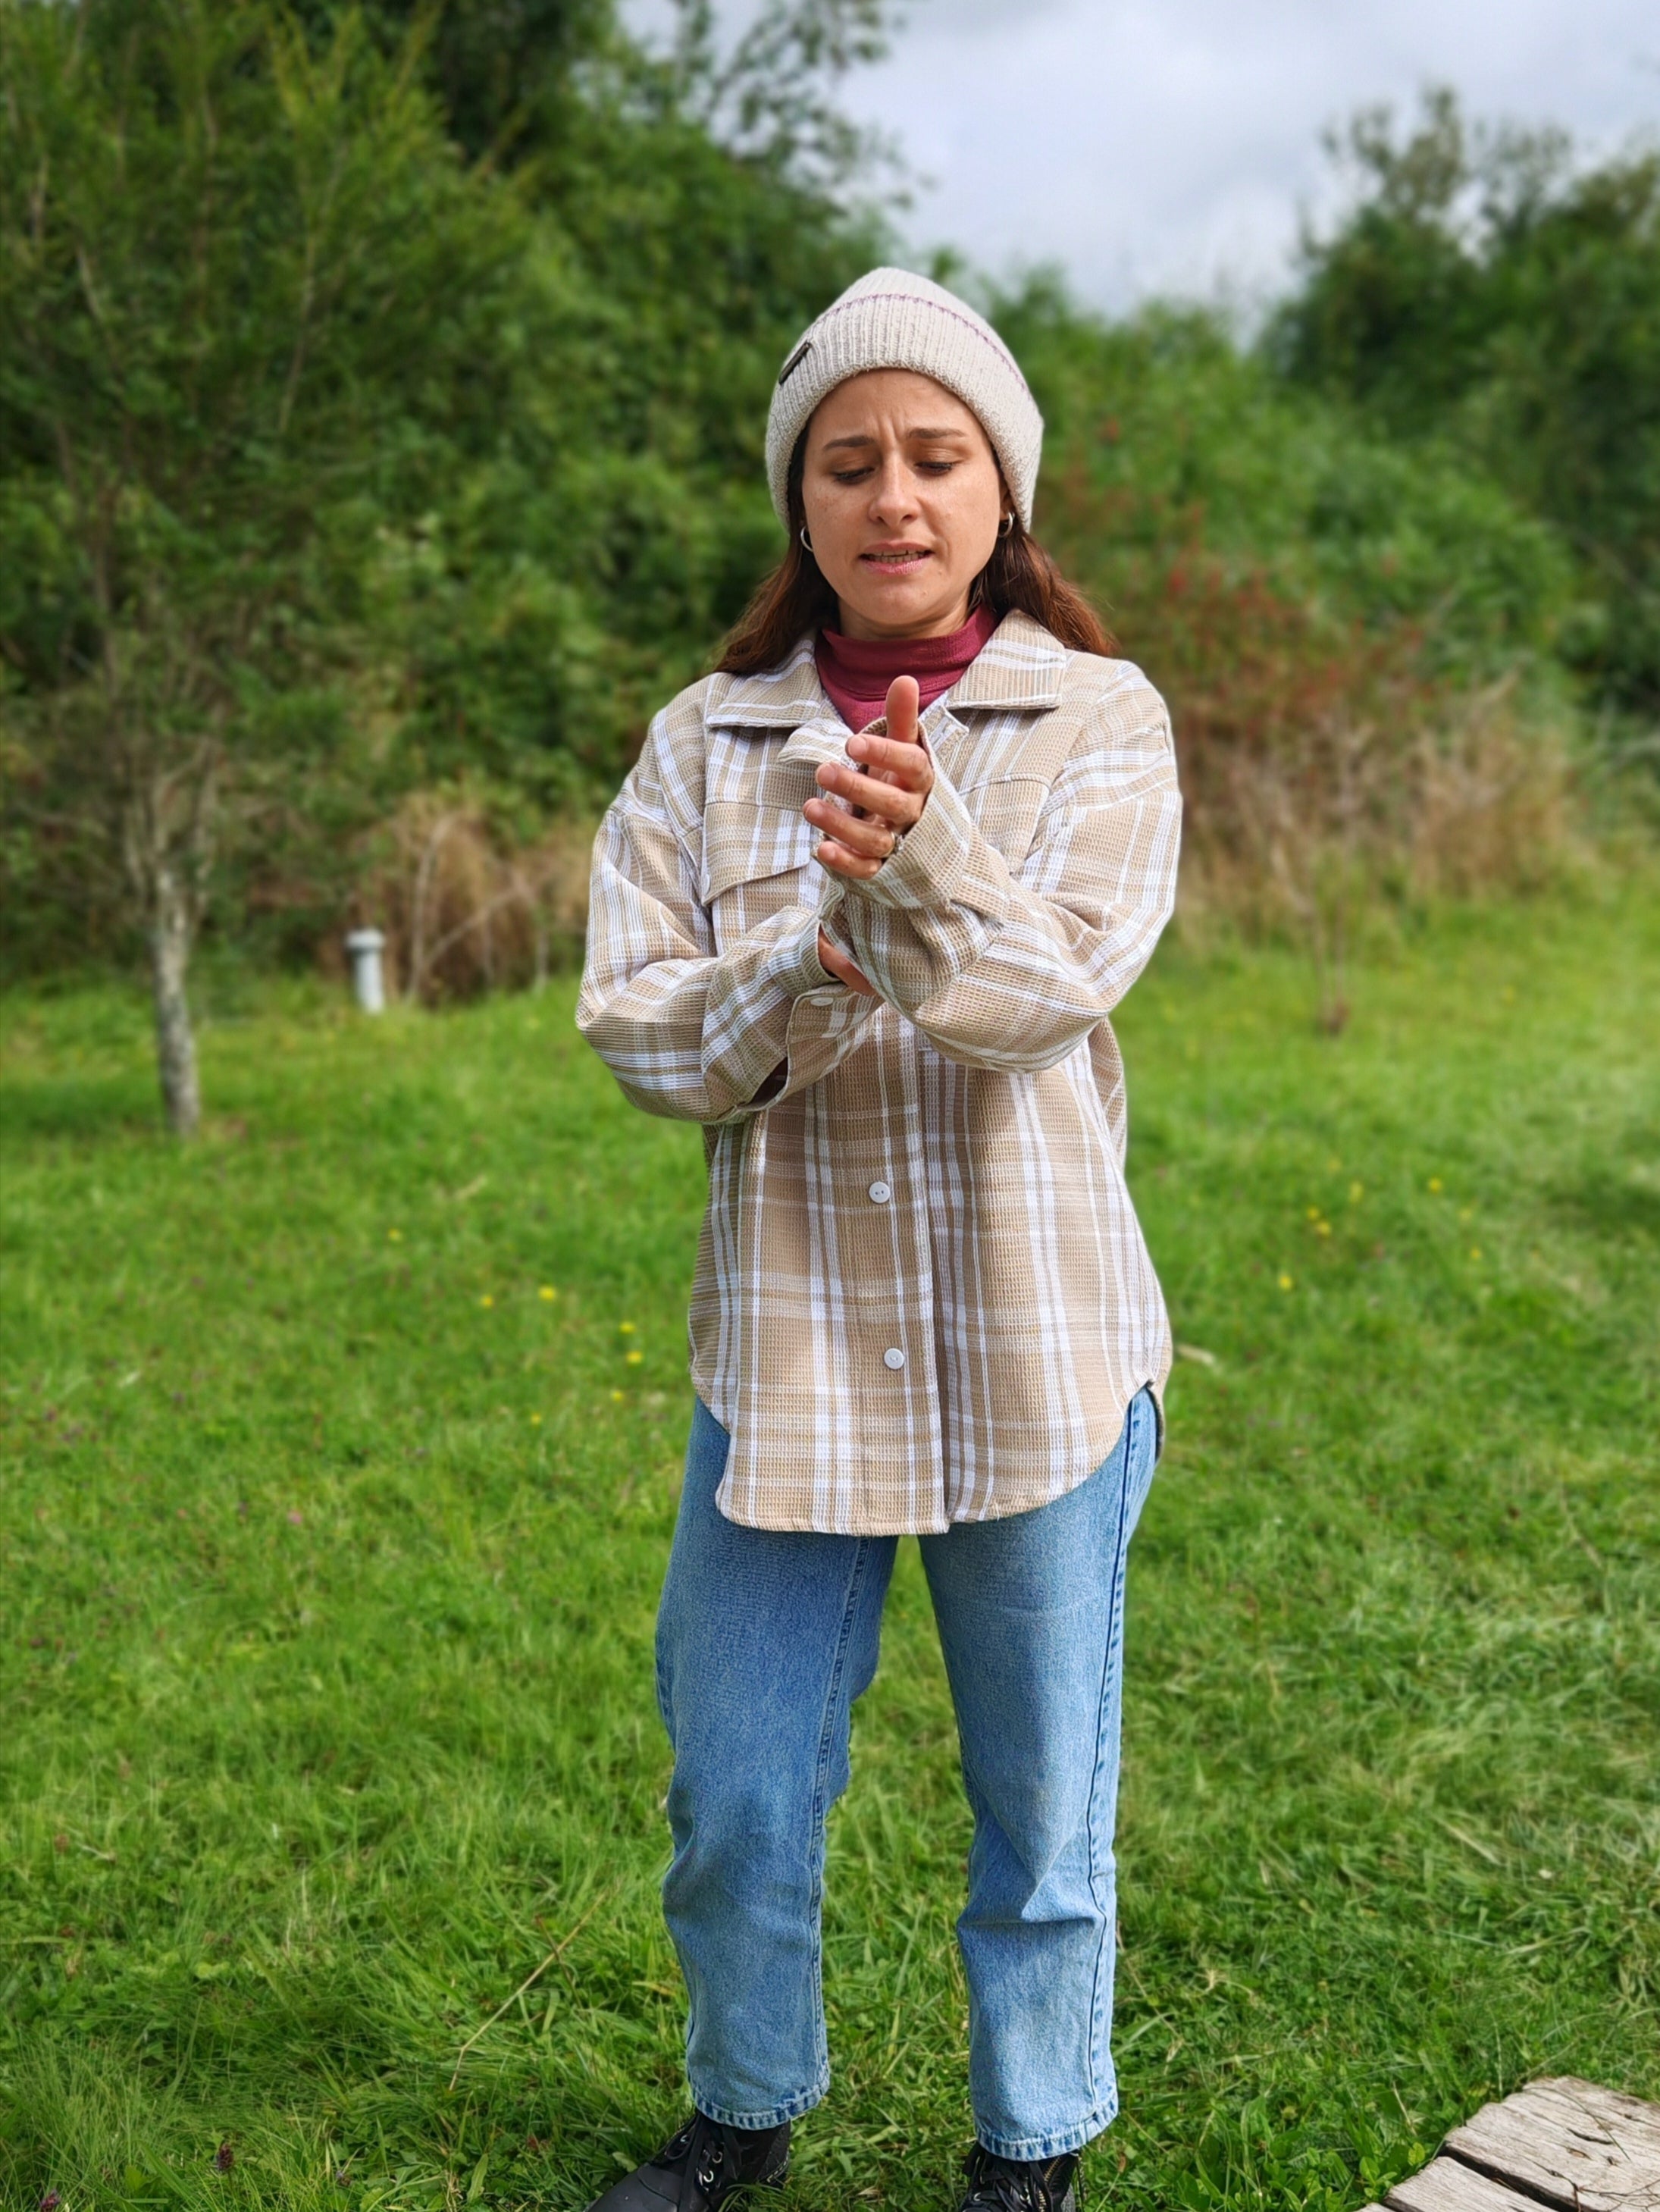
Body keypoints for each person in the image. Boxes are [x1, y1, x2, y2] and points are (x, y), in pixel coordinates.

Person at [577, 268, 1182, 2212]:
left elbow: (1053, 986)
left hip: (1041, 1349)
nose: (894, 496)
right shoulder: (704, 742)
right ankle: (742, 2111)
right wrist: (823, 944)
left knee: (1043, 1811)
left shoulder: (1097, 716)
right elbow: (643, 1032)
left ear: (1003, 487)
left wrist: (913, 862)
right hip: (794, 1364)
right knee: (736, 1796)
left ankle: (1031, 2147)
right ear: (801, 504)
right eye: (849, 463)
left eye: (938, 456)